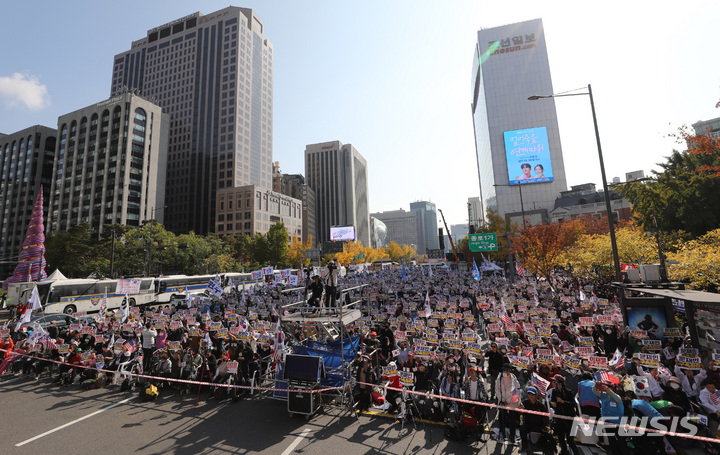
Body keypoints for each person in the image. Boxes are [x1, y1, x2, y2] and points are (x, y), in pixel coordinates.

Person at [550, 375, 579, 455]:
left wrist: (563, 402)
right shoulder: (554, 392)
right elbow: (553, 401)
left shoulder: (568, 392)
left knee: (570, 440)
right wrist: (553, 404)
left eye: (555, 382)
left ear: (560, 383)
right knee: (561, 437)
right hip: (559, 417)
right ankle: (564, 451)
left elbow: (573, 404)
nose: (553, 383)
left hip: (569, 418)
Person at [496, 364, 521, 444]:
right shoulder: (499, 378)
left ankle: (512, 435)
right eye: (503, 370)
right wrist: (502, 400)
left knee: (512, 420)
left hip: (512, 403)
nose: (504, 372)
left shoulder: (513, 378)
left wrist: (509, 401)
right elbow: (497, 389)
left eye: (506, 371)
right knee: (502, 419)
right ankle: (502, 434)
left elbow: (517, 390)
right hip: (502, 402)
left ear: (509, 371)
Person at [520, 386, 549, 453]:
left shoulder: (541, 405)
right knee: (522, 429)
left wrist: (547, 425)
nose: (530, 396)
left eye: (532, 394)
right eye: (529, 394)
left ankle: (547, 449)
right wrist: (521, 410)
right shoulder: (524, 403)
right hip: (528, 424)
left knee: (548, 433)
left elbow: (546, 417)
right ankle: (525, 446)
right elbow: (520, 414)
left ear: (536, 395)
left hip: (539, 425)